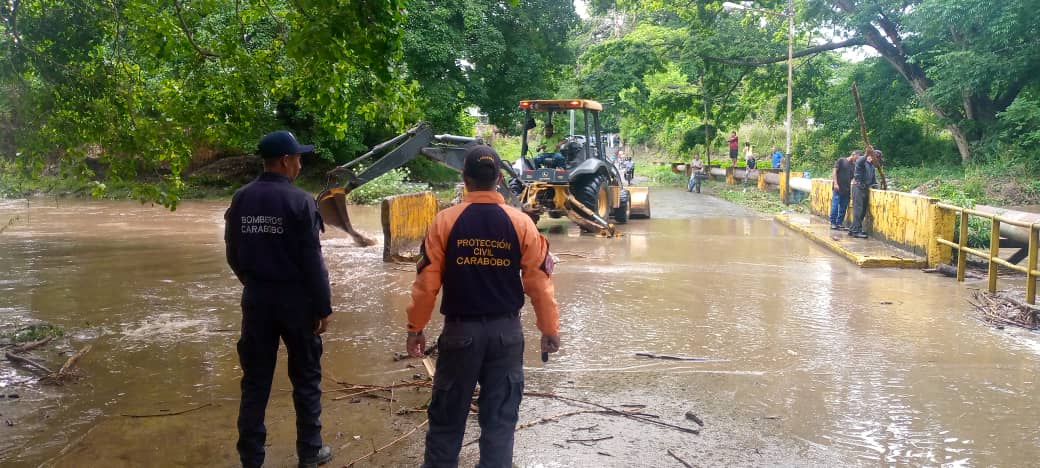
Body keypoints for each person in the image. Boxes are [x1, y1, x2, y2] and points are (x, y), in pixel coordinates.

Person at [405, 145, 560, 467]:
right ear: (500, 179)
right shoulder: (521, 224)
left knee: (447, 420)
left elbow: (426, 285)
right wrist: (549, 329)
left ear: (465, 178)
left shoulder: (444, 222)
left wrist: (415, 328)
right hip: (506, 335)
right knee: (500, 422)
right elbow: (539, 283)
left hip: (460, 335)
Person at [224, 130, 334, 468]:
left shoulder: (241, 198)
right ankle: (310, 452)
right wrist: (323, 307)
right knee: (305, 378)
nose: (301, 164)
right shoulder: (301, 202)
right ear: (285, 161)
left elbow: (232, 251)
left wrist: (251, 280)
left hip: (256, 300)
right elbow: (312, 261)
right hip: (296, 302)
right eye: (298, 158)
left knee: (255, 382)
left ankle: (251, 458)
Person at [848, 149, 879, 238]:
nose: (878, 161)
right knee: (858, 209)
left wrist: (878, 187)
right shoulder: (862, 162)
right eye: (877, 158)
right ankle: (856, 231)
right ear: (873, 157)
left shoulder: (872, 167)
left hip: (865, 189)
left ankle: (853, 228)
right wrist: (866, 154)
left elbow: (874, 181)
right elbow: (859, 161)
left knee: (863, 211)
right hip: (858, 187)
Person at [829, 150, 859, 230]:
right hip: (838, 188)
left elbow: (853, 178)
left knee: (843, 207)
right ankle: (833, 222)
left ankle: (839, 223)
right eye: (857, 157)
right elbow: (834, 171)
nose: (857, 159)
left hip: (847, 189)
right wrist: (835, 183)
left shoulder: (854, 166)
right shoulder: (841, 160)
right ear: (853, 154)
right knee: (835, 206)